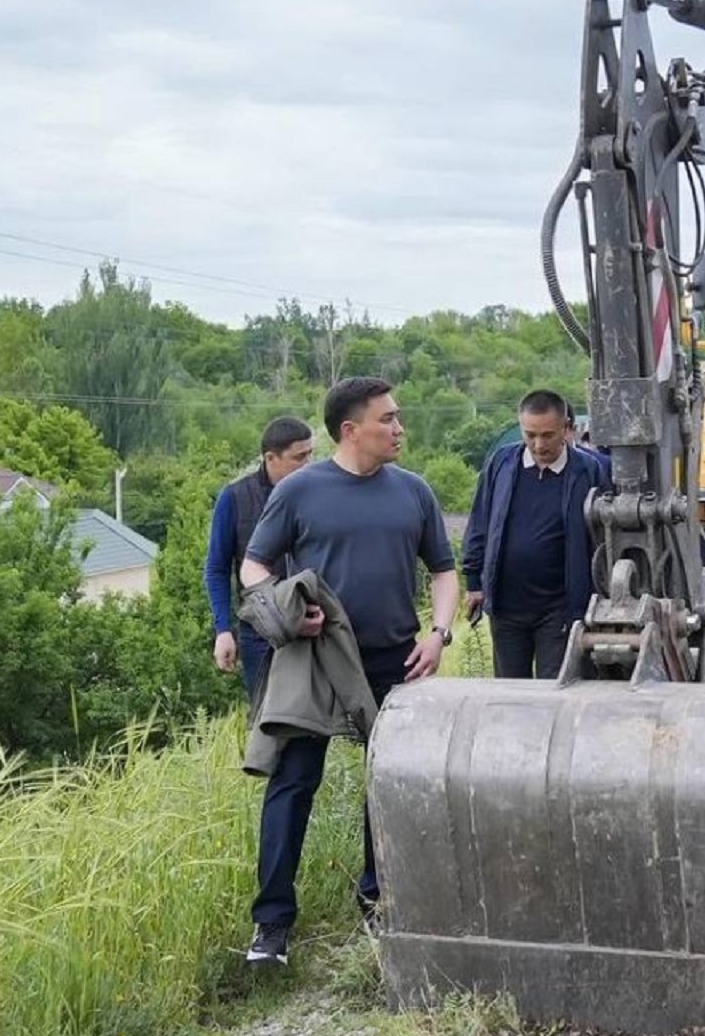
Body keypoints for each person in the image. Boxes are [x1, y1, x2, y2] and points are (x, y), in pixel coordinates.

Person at [236, 377, 460, 967]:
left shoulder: (414, 492)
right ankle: (271, 927)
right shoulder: (300, 490)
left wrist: (439, 635)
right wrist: (288, 608)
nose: (399, 428)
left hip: (395, 660)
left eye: (398, 418)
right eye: (388, 419)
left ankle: (378, 899)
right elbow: (253, 566)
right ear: (350, 430)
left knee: (386, 786)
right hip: (314, 662)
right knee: (292, 786)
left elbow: (443, 571)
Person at [461, 390, 611, 679]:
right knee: (509, 691)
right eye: (530, 435)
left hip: (560, 608)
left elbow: (602, 539)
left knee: (555, 688)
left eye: (548, 435)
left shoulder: (588, 471)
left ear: (567, 428)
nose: (538, 445)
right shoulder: (502, 464)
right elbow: (480, 521)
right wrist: (473, 580)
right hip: (506, 606)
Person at [205, 417, 314, 701]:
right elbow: (217, 568)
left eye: (310, 455)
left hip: (314, 628)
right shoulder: (235, 498)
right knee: (268, 724)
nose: (307, 464)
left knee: (314, 724)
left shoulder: (319, 493)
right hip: (259, 634)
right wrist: (223, 630)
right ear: (270, 458)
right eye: (298, 457)